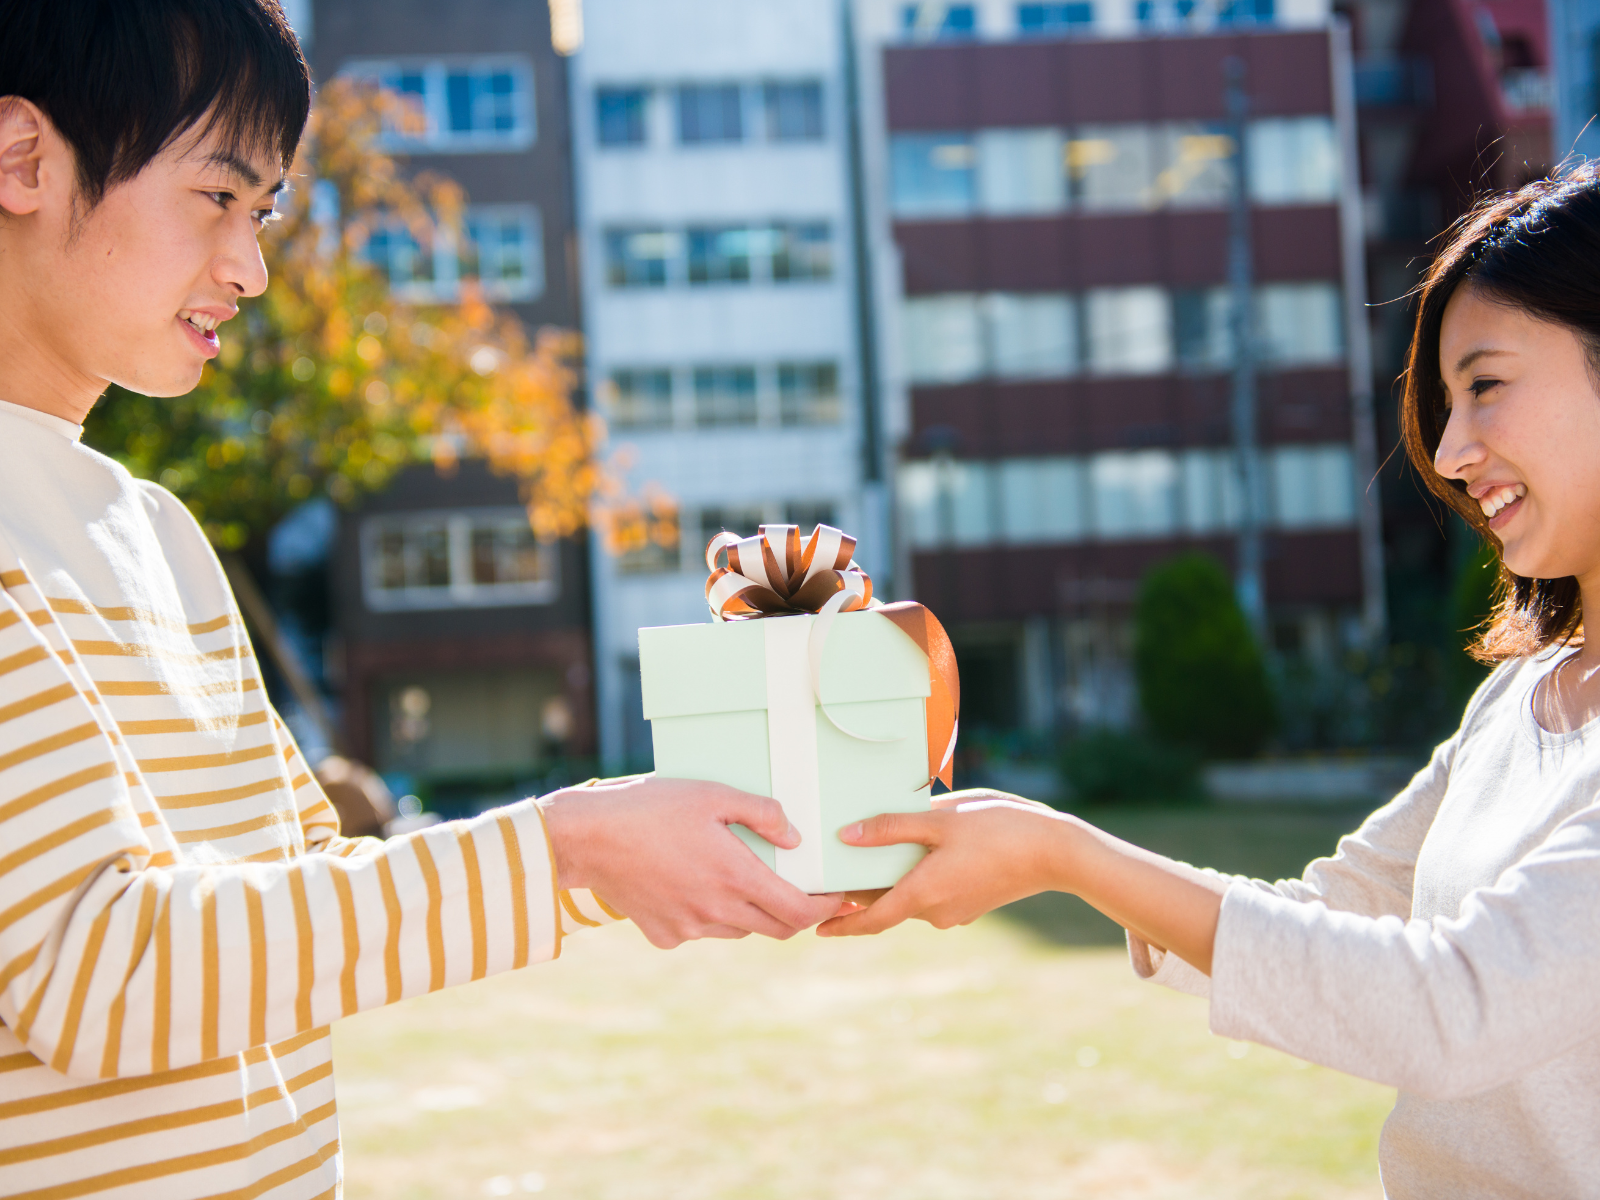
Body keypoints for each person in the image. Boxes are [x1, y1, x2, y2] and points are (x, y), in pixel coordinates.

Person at [0, 2, 840, 1195]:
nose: (249, 266)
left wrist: (605, 849)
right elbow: (101, 972)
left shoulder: (160, 536)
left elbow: (299, 893)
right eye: (216, 198)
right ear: (24, 158)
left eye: (266, 213)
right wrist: (572, 848)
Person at [822, 162, 1600, 1198]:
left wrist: (1066, 854)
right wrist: (1045, 856)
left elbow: (1447, 1010)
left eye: (1485, 386)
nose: (1451, 451)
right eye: (1445, 402)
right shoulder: (1522, 697)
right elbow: (1348, 913)